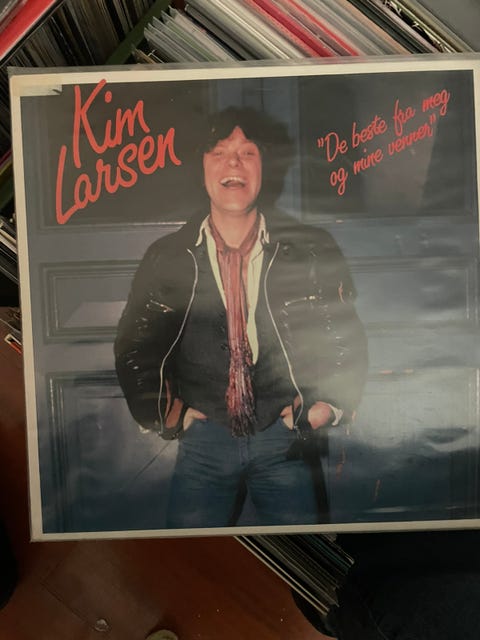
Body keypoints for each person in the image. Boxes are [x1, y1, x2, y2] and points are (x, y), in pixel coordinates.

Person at [114, 106, 368, 529]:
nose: (233, 163)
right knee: (191, 560)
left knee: (301, 556)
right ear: (201, 168)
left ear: (265, 167)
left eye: (247, 152)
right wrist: (166, 413)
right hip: (203, 443)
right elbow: (135, 345)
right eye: (218, 152)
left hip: (283, 438)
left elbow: (342, 335)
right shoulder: (167, 257)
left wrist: (326, 405)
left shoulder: (310, 251)